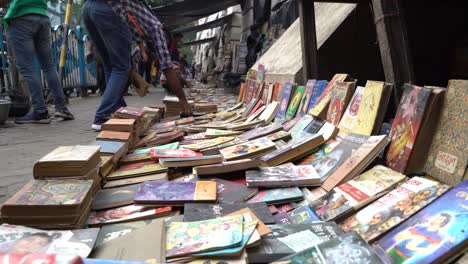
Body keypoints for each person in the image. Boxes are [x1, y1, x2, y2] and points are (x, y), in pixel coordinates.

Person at [107, 0, 192, 117]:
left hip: (99, 9)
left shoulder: (141, 31)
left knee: (115, 68)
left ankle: (116, 109)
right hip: (107, 11)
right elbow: (167, 68)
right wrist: (183, 100)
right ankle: (105, 113)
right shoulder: (156, 30)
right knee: (121, 69)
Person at [3, 0, 74, 124]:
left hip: (21, 18)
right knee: (49, 67)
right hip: (42, 17)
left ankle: (40, 111)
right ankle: (61, 108)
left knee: (28, 69)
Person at [82, 0, 132, 130]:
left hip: (88, 8)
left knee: (109, 64)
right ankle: (102, 115)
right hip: (107, 8)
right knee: (121, 67)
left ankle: (118, 109)